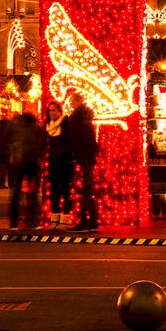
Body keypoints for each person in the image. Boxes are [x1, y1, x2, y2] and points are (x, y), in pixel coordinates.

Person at [4, 104, 44, 230]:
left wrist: (11, 153)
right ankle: (33, 221)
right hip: (32, 161)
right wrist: (38, 153)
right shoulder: (36, 127)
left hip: (17, 161)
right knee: (33, 191)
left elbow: (4, 139)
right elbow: (42, 143)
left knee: (15, 192)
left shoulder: (13, 125)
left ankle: (13, 222)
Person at [64, 92, 100, 230]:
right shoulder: (84, 117)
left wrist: (76, 153)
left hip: (83, 156)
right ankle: (90, 219)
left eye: (72, 101)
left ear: (77, 101)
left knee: (85, 189)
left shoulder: (78, 118)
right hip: (87, 156)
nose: (71, 104)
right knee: (86, 189)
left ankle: (87, 219)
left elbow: (78, 138)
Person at [45, 103, 74, 225]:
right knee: (54, 187)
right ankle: (55, 212)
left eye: (54, 110)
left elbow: (70, 141)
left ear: (59, 111)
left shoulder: (66, 123)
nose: (52, 113)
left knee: (65, 188)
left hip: (65, 161)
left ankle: (66, 213)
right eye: (50, 110)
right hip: (53, 161)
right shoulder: (48, 126)